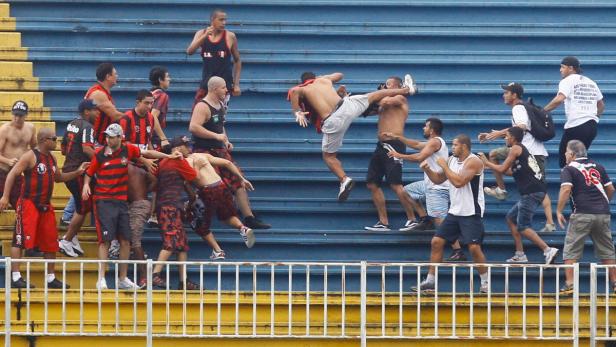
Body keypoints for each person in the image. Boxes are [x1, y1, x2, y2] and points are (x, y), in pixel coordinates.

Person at [82, 124, 181, 290]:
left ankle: (122, 278)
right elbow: (89, 173)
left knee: (126, 240)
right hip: (104, 200)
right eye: (107, 136)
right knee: (105, 240)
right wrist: (86, 185)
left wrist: (168, 156)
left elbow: (147, 153)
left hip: (121, 201)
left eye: (112, 136)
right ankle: (101, 279)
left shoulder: (128, 150)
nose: (108, 139)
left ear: (120, 137)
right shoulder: (100, 153)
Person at [288, 72, 415, 201]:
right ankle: (406, 89)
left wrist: (296, 111)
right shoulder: (324, 80)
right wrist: (324, 78)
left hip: (332, 121)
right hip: (346, 106)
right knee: (373, 95)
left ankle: (344, 179)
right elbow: (339, 75)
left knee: (329, 157)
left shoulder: (303, 88)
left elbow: (294, 91)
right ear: (315, 78)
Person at [0, 128, 88, 289]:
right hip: (28, 204)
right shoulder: (30, 156)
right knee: (19, 239)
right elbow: (12, 174)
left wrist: (78, 172)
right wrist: (5, 196)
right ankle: (15, 276)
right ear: (43, 140)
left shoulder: (52, 159)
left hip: (45, 206)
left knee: (50, 242)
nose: (56, 141)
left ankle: (50, 277)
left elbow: (59, 178)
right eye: (53, 138)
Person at [190, 76, 269, 229]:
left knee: (238, 180)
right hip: (205, 152)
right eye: (223, 87)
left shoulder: (220, 104)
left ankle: (249, 217)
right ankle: (196, 214)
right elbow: (194, 127)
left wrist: (226, 140)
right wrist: (215, 136)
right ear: (214, 89)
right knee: (211, 186)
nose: (226, 90)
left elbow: (220, 126)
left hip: (219, 150)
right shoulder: (202, 106)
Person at [412, 135, 489, 293]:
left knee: (474, 248)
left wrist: (444, 166)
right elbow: (438, 180)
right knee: (436, 242)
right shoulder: (451, 160)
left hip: (471, 211)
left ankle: (485, 283)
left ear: (464, 146)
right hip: (455, 211)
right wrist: (427, 169)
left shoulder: (474, 161)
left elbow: (459, 182)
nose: (452, 147)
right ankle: (430, 282)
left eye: (455, 145)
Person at [478, 82, 555, 232]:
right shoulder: (523, 107)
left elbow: (521, 127)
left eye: (506, 92)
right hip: (528, 150)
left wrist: (498, 133)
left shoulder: (518, 108)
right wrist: (492, 135)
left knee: (538, 187)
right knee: (537, 186)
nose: (504, 95)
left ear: (514, 95)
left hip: (530, 152)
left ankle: (550, 223)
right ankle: (501, 189)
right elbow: (516, 133)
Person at [387, 118, 466, 261]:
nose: (423, 128)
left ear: (432, 130)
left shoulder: (435, 141)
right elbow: (417, 144)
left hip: (438, 188)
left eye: (426, 126)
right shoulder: (433, 142)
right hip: (430, 184)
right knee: (406, 191)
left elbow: (420, 156)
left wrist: (400, 156)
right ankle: (424, 219)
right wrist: (399, 138)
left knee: (440, 221)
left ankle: (458, 250)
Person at [479, 127, 559, 264]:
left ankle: (547, 250)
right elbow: (510, 172)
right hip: (534, 191)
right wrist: (492, 166)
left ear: (513, 138)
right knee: (510, 218)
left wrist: (487, 163)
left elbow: (503, 169)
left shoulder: (516, 148)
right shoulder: (521, 152)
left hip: (531, 192)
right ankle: (520, 253)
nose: (505, 138)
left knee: (523, 226)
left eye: (506, 136)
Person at [362, 77, 423, 232]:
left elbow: (384, 101)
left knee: (395, 184)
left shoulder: (399, 98)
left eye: (388, 84)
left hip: (394, 144)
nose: (384, 85)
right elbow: (366, 111)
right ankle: (384, 222)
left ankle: (412, 219)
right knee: (372, 183)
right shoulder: (383, 102)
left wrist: (381, 94)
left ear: (397, 86)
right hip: (381, 145)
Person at [557, 140, 616, 294]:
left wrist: (558, 210)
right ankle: (615, 282)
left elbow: (565, 189)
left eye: (566, 152)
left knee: (571, 249)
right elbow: (610, 188)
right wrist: (602, 203)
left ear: (572, 154)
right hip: (602, 214)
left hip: (582, 212)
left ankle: (569, 284)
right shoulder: (599, 166)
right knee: (607, 250)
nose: (565, 155)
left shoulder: (568, 169)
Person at [151, 136, 203, 290]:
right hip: (171, 206)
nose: (190, 150)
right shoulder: (178, 161)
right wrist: (198, 165)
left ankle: (183, 281)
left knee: (181, 245)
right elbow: (195, 177)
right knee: (171, 241)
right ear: (178, 148)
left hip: (165, 205)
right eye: (187, 147)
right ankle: (155, 275)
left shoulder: (163, 162)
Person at [187, 151, 257, 256]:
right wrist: (242, 178)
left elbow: (195, 178)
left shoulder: (183, 162)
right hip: (221, 186)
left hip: (207, 190)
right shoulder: (201, 155)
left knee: (197, 223)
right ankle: (243, 228)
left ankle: (218, 251)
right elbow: (228, 163)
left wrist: (190, 202)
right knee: (226, 216)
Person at [542, 56, 604, 168]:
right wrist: (595, 117)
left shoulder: (567, 81)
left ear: (571, 68)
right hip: (592, 126)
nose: (560, 70)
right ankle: (582, 183)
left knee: (565, 160)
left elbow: (559, 99)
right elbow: (601, 105)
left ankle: (568, 184)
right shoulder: (591, 82)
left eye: (562, 67)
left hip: (577, 125)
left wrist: (542, 111)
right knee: (580, 160)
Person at [58, 99, 99, 258]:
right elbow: (87, 149)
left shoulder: (71, 124)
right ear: (87, 111)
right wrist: (105, 159)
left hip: (68, 169)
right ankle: (67, 240)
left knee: (81, 205)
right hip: (78, 172)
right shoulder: (88, 127)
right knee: (84, 207)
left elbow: (62, 149)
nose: (97, 113)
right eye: (95, 110)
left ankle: (72, 235)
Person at [1, 101, 39, 261]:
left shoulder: (30, 128)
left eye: (20, 115)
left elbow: (35, 148)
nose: (17, 118)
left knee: (24, 210)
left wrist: (27, 161)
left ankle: (28, 244)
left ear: (25, 115)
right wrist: (7, 161)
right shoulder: (5, 129)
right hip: (2, 172)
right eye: (15, 115)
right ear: (12, 114)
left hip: (19, 176)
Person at [187, 8, 241, 107]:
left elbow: (237, 60)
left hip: (223, 87)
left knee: (218, 119)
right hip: (206, 85)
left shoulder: (230, 36)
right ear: (212, 20)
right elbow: (190, 51)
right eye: (221, 20)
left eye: (225, 20)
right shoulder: (201, 33)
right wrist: (204, 36)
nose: (224, 23)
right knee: (199, 114)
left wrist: (236, 84)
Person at [84, 62, 125, 145]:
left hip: (98, 140)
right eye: (115, 74)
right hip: (95, 140)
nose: (117, 76)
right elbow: (115, 115)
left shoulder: (102, 92)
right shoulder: (98, 93)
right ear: (108, 77)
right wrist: (133, 116)